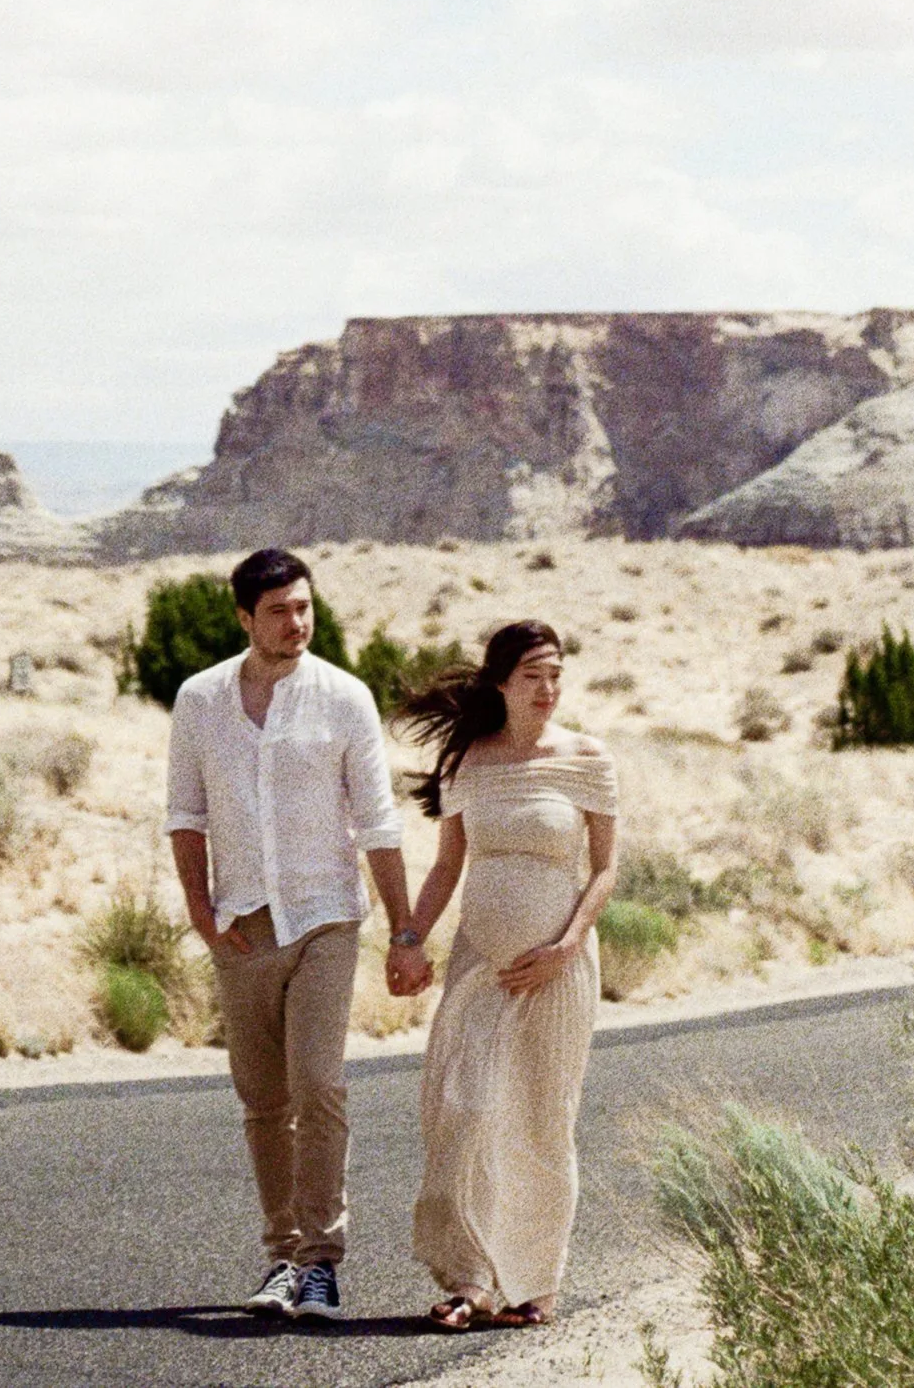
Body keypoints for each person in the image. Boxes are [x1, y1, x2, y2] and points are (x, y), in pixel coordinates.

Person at [166, 545, 420, 1316]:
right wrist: (202, 912)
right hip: (242, 923)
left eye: (304, 606)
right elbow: (185, 813)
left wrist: (405, 932)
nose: (297, 622)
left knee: (318, 1082)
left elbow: (378, 821)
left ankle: (321, 1260)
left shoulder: (344, 697)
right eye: (278, 610)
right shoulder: (200, 700)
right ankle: (280, 1255)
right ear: (245, 617)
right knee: (263, 1100)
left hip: (325, 918)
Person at [395, 618, 618, 1332]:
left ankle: (533, 1285)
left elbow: (605, 870)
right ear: (500, 682)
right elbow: (446, 866)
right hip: (479, 964)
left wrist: (566, 945)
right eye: (532, 676)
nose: (547, 689)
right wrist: (408, 938)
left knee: (541, 1119)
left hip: (558, 967)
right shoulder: (470, 761)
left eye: (556, 675)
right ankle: (470, 1279)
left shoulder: (587, 758)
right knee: (462, 1110)